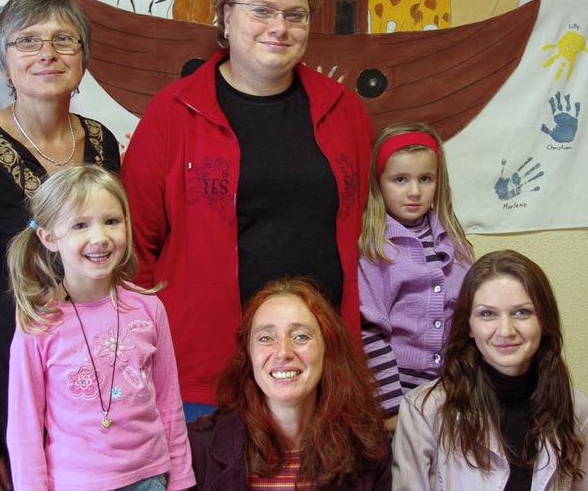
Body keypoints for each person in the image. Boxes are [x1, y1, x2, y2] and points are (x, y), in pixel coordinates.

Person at [121, 0, 374, 418]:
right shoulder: (172, 113)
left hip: (321, 368)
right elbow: (135, 249)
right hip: (207, 372)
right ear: (226, 16)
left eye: (295, 14)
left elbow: (361, 229)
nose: (279, 27)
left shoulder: (345, 112)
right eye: (261, 10)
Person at [0, 0, 120, 489]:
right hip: (2, 396)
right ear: (4, 61)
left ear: (84, 59)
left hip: (93, 399)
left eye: (64, 40)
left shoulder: (104, 142)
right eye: (27, 41)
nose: (47, 53)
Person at [5, 165, 195, 490]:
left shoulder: (149, 310)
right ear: (49, 238)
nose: (100, 238)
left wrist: (180, 479)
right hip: (74, 482)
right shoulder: (38, 325)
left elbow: (168, 403)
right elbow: (24, 426)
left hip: (150, 479)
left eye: (111, 221)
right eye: (80, 225)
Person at [393, 249, 588, 489]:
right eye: (487, 314)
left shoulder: (577, 410)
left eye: (522, 312)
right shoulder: (424, 412)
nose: (505, 331)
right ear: (469, 327)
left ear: (544, 322)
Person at [188, 277, 392, 490]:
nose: (283, 352)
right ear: (248, 356)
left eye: (301, 337)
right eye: (266, 338)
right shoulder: (197, 449)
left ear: (328, 351)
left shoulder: (370, 451)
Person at [358, 123, 474, 436]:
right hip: (398, 390)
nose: (414, 192)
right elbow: (369, 332)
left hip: (452, 388)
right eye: (400, 180)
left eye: (425, 179)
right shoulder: (376, 249)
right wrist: (392, 408)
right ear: (379, 183)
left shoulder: (455, 244)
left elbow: (470, 321)